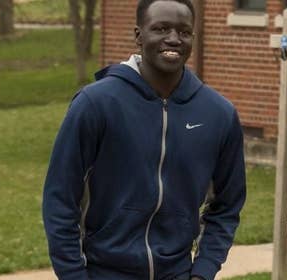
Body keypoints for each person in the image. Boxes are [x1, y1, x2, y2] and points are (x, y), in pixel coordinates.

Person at [41, 0, 247, 279]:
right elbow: (60, 199)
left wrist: (203, 270)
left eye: (184, 32)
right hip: (103, 270)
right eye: (161, 29)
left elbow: (228, 204)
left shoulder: (218, 114)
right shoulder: (96, 104)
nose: (173, 39)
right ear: (139, 35)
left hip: (177, 272)